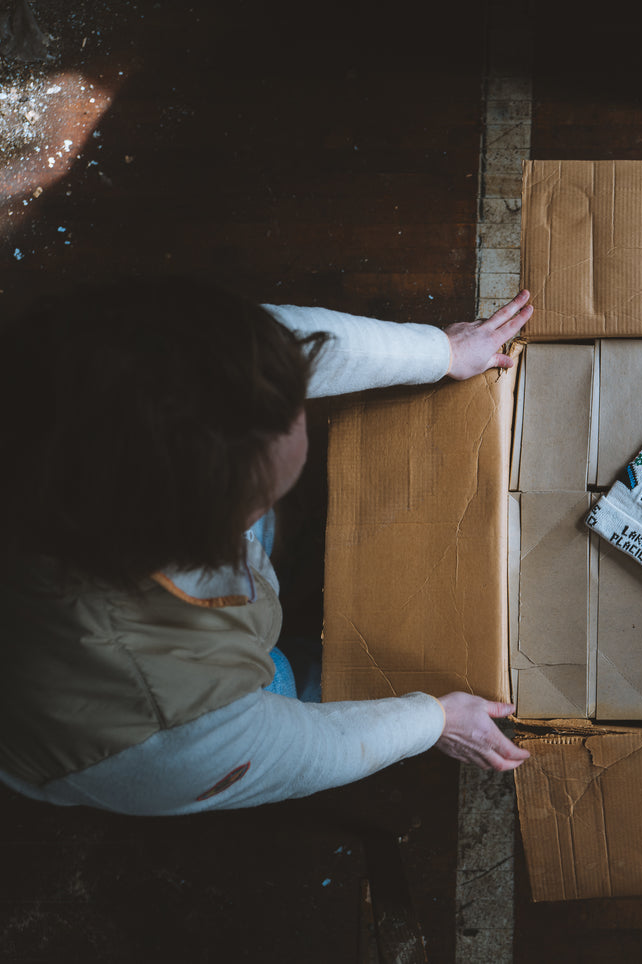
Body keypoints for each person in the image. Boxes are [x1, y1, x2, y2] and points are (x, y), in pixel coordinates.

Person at [0, 278, 533, 815]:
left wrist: (440, 352)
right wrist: (434, 719)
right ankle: (318, 669)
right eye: (264, 495)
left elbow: (281, 347)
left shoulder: (111, 362)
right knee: (310, 685)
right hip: (113, 717)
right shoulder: (168, 729)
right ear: (202, 543)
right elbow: (305, 752)